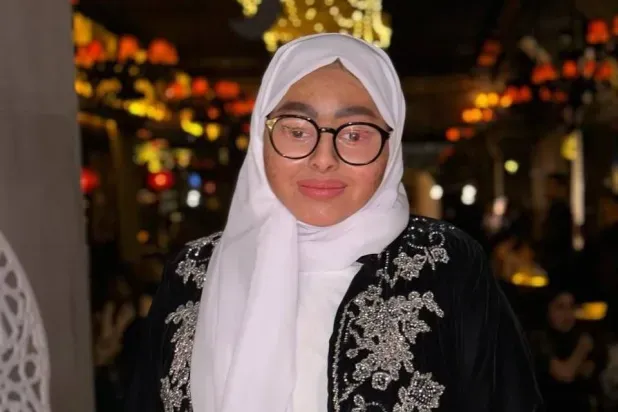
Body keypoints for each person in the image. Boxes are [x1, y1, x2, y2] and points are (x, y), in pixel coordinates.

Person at [126, 33, 541, 412]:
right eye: (296, 131)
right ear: (260, 137)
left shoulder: (446, 264)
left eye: (355, 134)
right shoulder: (193, 273)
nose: (323, 158)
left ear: (391, 145)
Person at [529, 289, 605, 412]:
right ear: (547, 310)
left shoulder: (575, 336)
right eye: (560, 307)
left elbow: (588, 371)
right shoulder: (538, 339)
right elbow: (564, 374)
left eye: (571, 307)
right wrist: (582, 348)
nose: (568, 314)